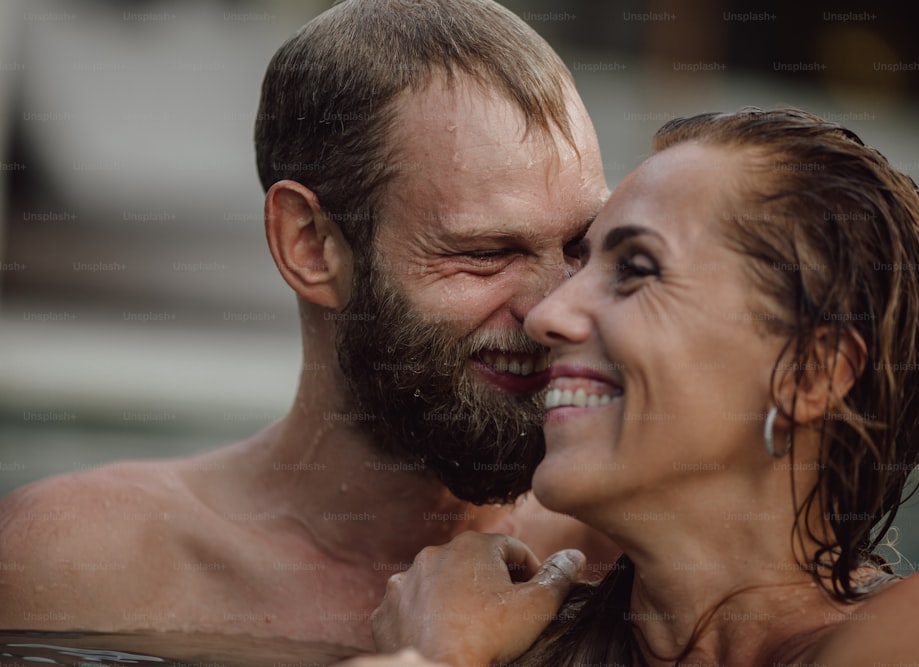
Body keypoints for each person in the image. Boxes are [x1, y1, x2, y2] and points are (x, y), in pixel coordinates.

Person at [0, 0, 615, 650]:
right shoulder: (81, 563)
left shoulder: (625, 554)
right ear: (310, 245)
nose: (558, 308)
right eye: (486, 254)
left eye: (583, 245)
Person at [370, 107, 919, 666]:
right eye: (582, 264)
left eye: (636, 269)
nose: (546, 316)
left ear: (810, 373)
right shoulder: (504, 627)